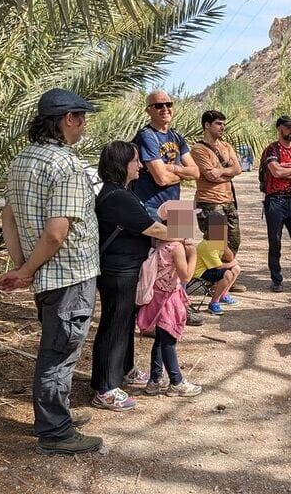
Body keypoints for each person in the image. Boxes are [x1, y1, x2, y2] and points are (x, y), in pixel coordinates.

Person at [0, 88, 103, 455]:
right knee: (59, 354)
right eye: (82, 118)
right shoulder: (67, 165)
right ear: (68, 119)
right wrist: (26, 268)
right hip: (69, 276)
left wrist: (22, 267)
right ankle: (55, 432)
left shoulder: (22, 159)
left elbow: (8, 216)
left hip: (45, 278)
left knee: (56, 347)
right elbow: (57, 233)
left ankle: (57, 416)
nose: (84, 125)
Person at [91, 141, 169, 412]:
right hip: (117, 272)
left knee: (124, 323)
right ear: (121, 164)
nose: (140, 165)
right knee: (114, 325)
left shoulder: (122, 193)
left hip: (125, 269)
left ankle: (125, 369)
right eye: (135, 161)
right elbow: (152, 228)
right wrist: (184, 233)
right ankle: (105, 388)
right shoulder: (118, 197)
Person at [132, 89, 204, 326]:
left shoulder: (177, 136)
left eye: (168, 104)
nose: (165, 109)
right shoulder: (146, 137)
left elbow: (196, 172)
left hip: (177, 204)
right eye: (158, 105)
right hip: (152, 205)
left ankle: (181, 305)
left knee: (185, 248)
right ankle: (152, 312)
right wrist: (178, 172)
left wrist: (172, 169)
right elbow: (160, 178)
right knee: (159, 261)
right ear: (148, 110)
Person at [137, 201, 203, 398]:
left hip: (156, 298)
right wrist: (193, 255)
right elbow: (186, 277)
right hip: (169, 300)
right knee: (169, 342)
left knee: (160, 339)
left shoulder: (160, 243)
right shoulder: (177, 248)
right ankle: (176, 382)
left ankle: (154, 380)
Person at [191, 110, 246, 293]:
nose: (223, 127)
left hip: (228, 200)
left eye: (224, 124)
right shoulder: (198, 149)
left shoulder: (226, 146)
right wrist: (228, 173)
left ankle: (227, 277)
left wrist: (221, 172)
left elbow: (238, 169)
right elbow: (209, 176)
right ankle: (214, 280)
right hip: (209, 202)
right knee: (216, 243)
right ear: (207, 125)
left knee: (233, 240)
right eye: (218, 124)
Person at [260, 115, 291, 293]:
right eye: (288, 127)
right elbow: (276, 172)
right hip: (274, 200)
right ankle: (276, 279)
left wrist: (287, 171)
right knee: (275, 241)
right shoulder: (272, 149)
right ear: (279, 128)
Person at [193, 211, 242, 315]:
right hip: (200, 271)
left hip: (210, 268)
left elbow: (230, 258)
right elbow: (219, 267)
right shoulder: (207, 245)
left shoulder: (217, 241)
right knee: (227, 274)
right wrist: (232, 263)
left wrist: (224, 246)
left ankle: (223, 295)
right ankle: (214, 303)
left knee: (236, 269)